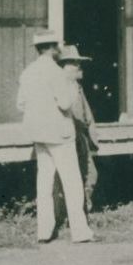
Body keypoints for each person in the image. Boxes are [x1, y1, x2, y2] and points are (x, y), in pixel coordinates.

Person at [16, 29, 94, 244]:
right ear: (52, 48)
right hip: (59, 133)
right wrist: (71, 86)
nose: (60, 48)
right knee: (72, 181)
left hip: (38, 133)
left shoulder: (28, 72)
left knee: (44, 182)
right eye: (57, 45)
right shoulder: (56, 73)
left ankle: (44, 231)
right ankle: (80, 232)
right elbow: (65, 103)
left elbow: (20, 104)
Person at [55, 44, 100, 214]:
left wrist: (92, 137)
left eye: (78, 63)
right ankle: (74, 212)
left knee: (91, 173)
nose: (78, 67)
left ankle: (83, 206)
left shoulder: (77, 87)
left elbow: (87, 114)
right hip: (68, 138)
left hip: (80, 138)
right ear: (64, 67)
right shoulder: (61, 87)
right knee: (73, 176)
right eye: (73, 63)